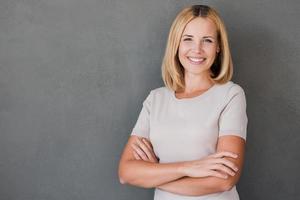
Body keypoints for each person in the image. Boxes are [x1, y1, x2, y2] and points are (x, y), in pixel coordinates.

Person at [118, 4, 248, 200]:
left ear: (219, 46)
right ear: (176, 44)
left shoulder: (231, 94)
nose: (197, 49)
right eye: (188, 39)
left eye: (207, 40)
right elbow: (126, 173)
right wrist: (189, 168)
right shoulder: (156, 99)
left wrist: (154, 173)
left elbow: (224, 180)